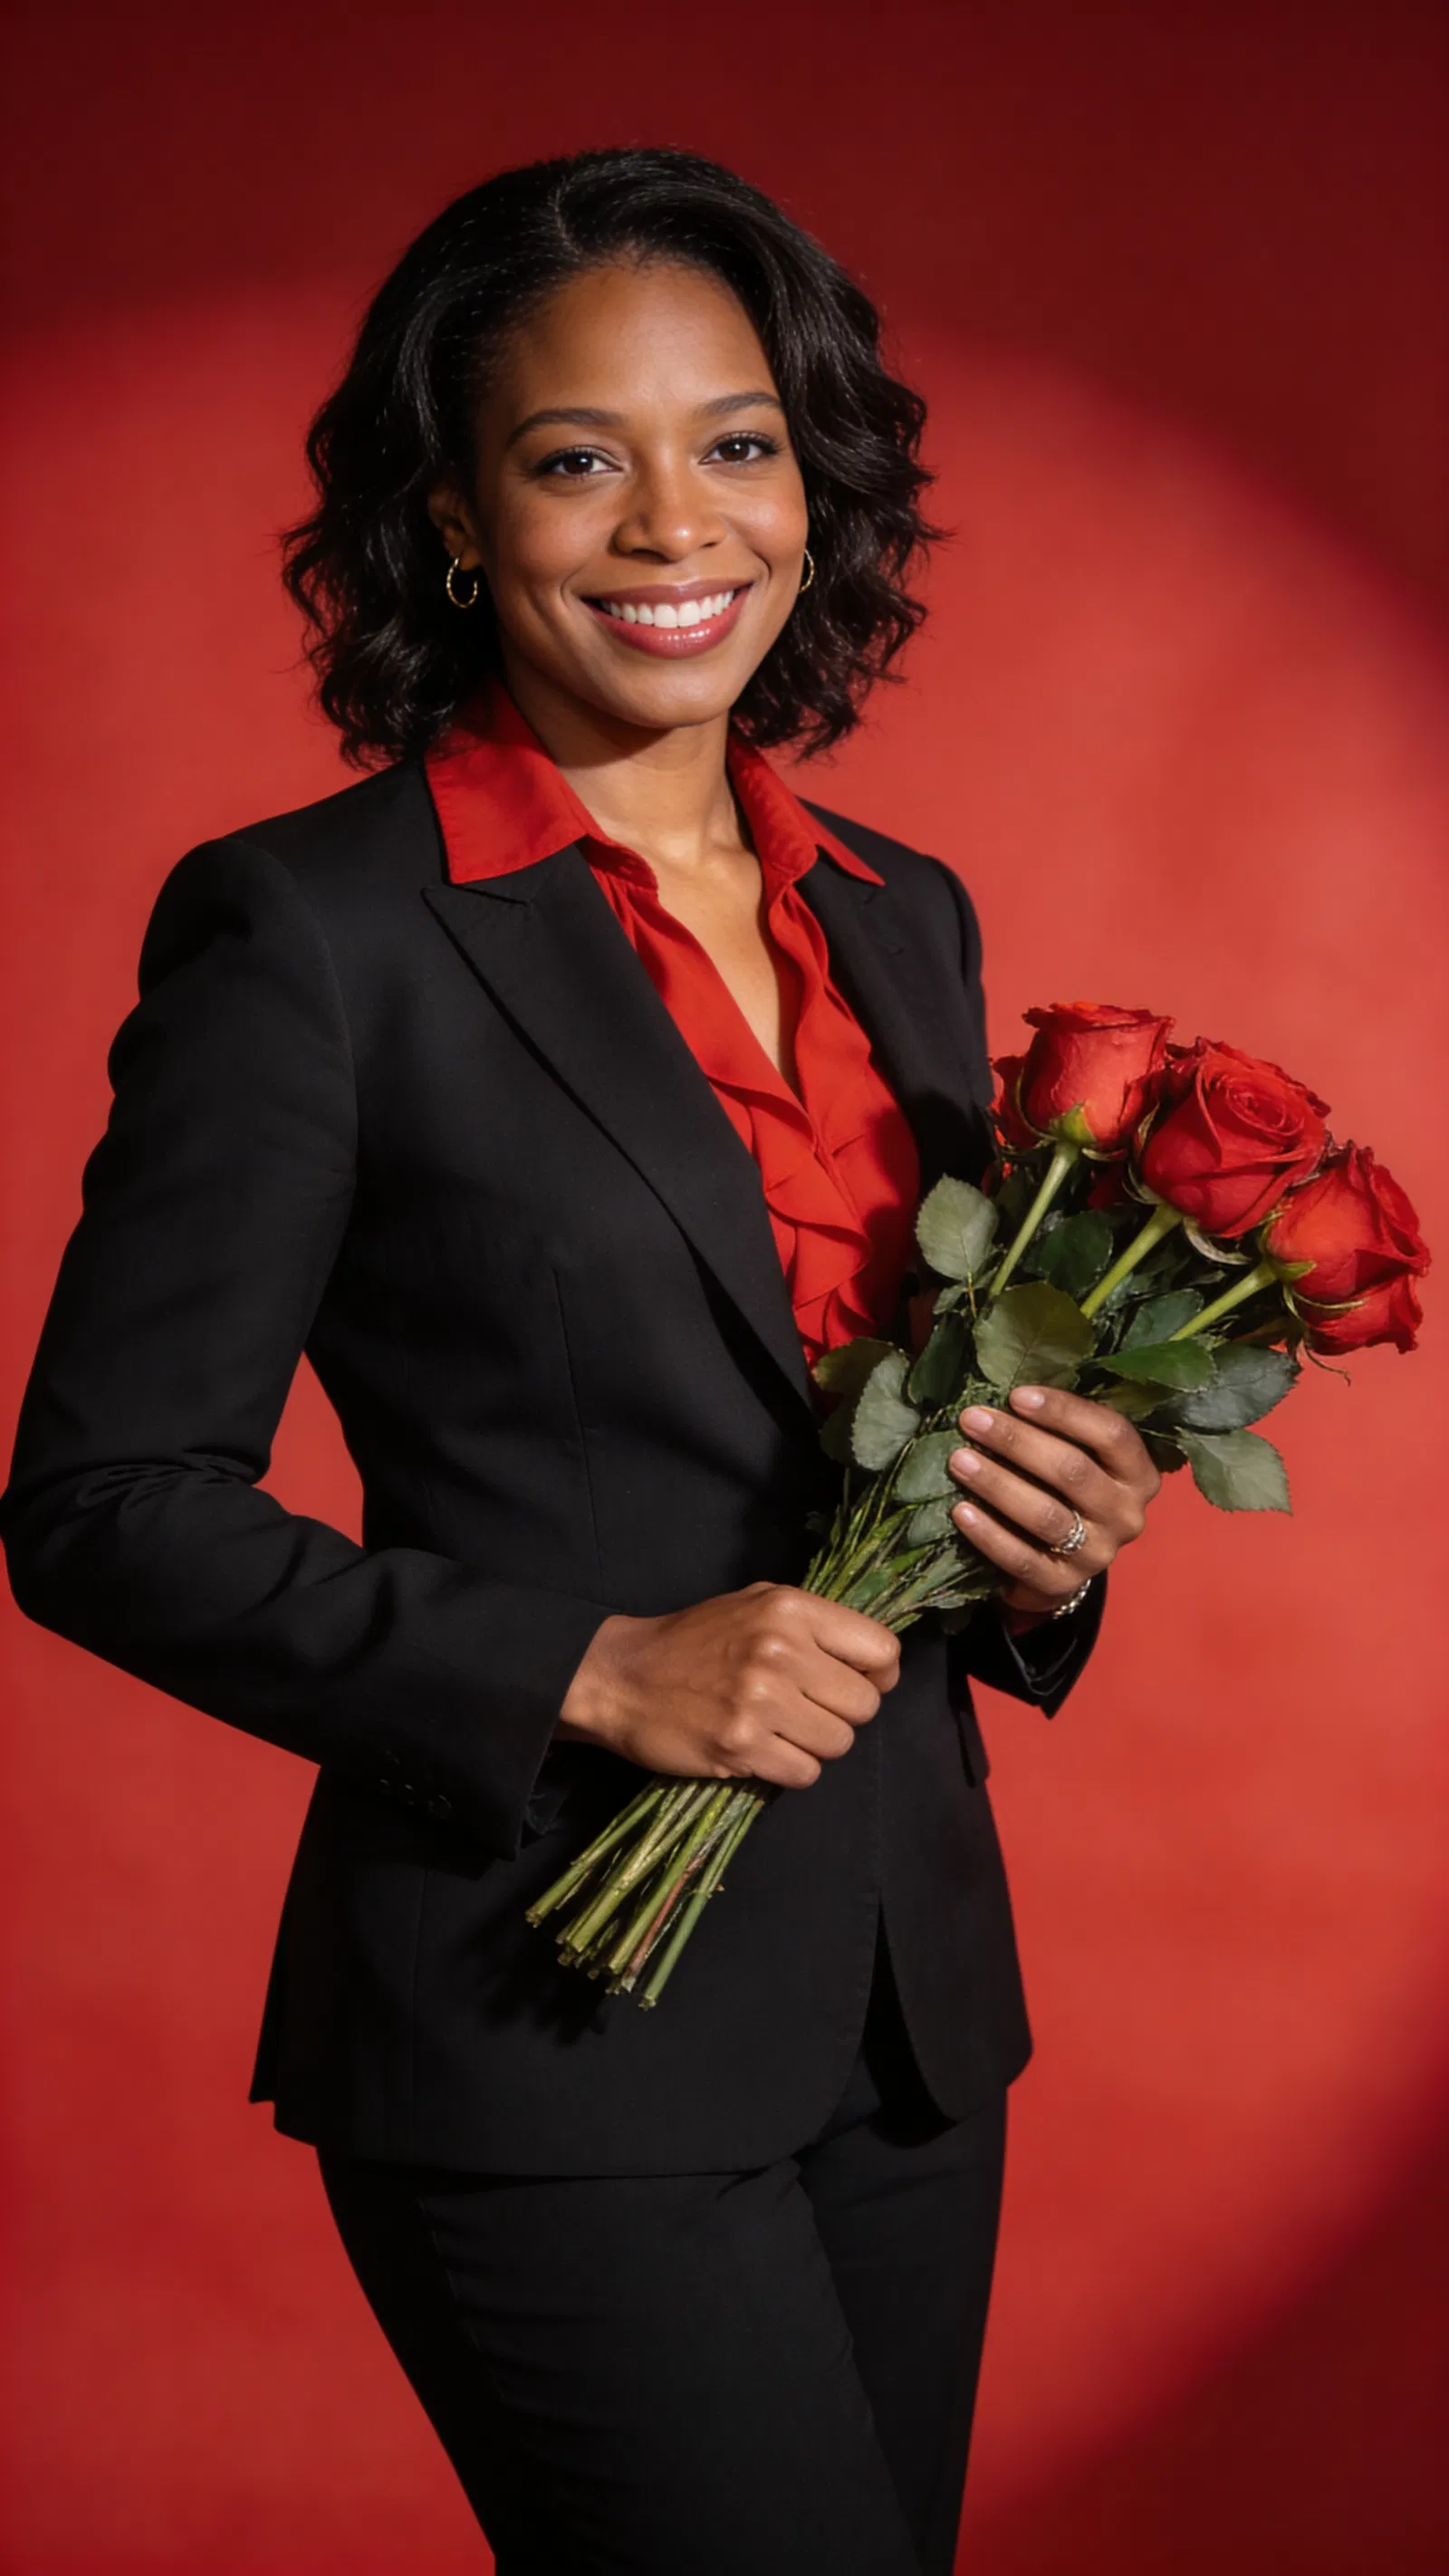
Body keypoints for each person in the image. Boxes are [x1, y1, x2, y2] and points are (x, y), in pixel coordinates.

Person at [0, 148, 1161, 2576]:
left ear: (814, 484)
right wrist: (595, 1671)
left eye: (736, 441)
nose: (673, 522)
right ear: (449, 518)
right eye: (572, 455)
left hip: (911, 2020)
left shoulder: (905, 917)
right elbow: (103, 1504)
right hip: (545, 2022)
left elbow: (880, 1443)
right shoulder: (313, 933)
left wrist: (1048, 1542)